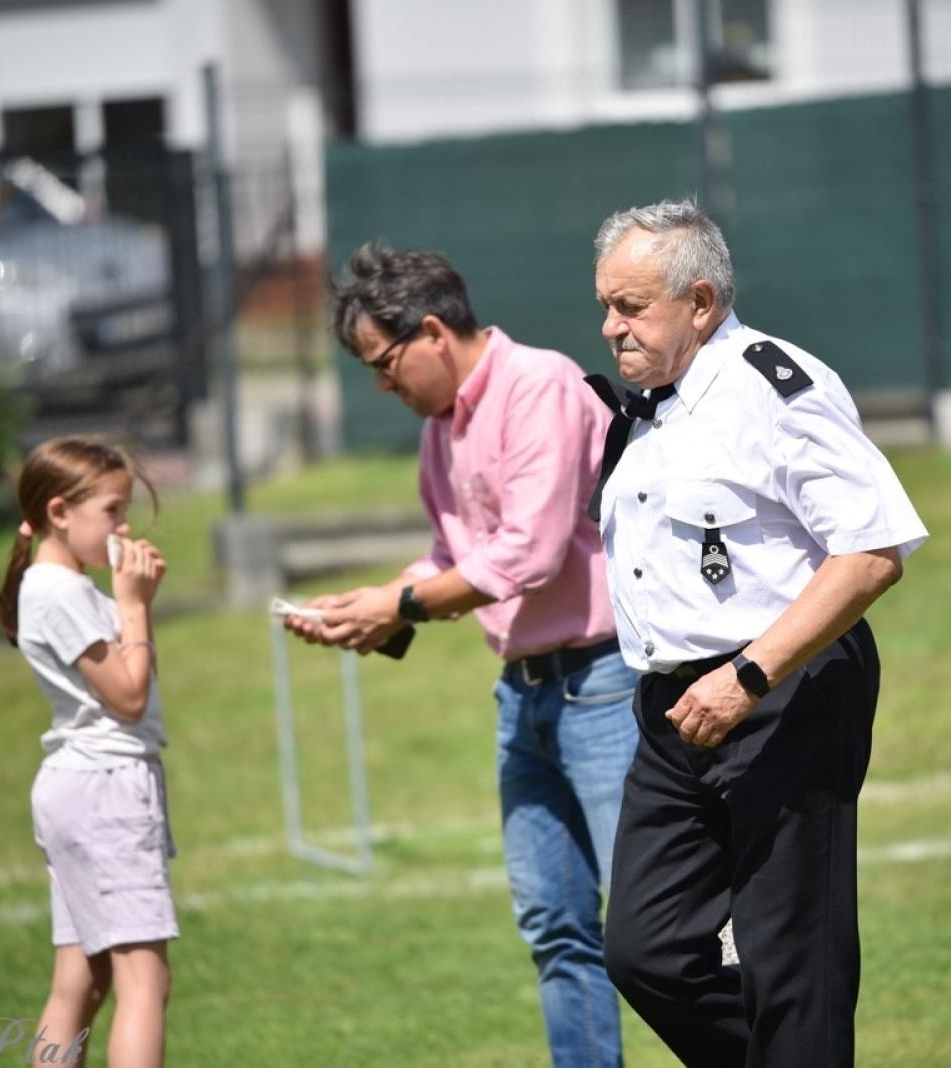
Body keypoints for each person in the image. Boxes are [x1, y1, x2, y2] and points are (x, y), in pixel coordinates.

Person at [587, 199, 929, 1066]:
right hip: (673, 708)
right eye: (606, 306)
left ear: (701, 302)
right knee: (645, 951)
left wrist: (748, 675)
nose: (611, 326)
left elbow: (872, 551)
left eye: (631, 307)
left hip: (781, 691)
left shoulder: (774, 387)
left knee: (789, 963)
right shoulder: (651, 404)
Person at [284, 242, 639, 1068]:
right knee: (556, 929)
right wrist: (372, 609)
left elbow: (530, 555)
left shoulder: (539, 386)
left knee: (660, 928)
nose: (382, 386)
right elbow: (453, 558)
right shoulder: (440, 431)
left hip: (606, 688)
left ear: (434, 333)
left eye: (383, 364)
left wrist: (400, 606)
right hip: (523, 696)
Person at [0, 436, 174, 1068]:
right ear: (59, 513)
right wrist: (134, 606)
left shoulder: (55, 587)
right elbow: (129, 697)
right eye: (112, 511)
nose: (124, 526)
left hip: (81, 789)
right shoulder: (60, 592)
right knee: (145, 982)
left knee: (82, 983)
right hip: (106, 790)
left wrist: (131, 605)